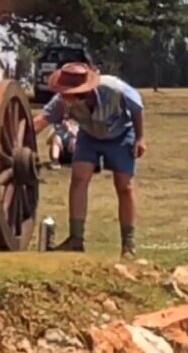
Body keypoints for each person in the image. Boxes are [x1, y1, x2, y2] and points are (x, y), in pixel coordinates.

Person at [33, 62, 146, 258]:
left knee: (125, 186)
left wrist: (140, 138)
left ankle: (128, 245)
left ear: (80, 92)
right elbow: (42, 120)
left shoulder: (113, 88)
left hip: (120, 135)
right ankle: (76, 240)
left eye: (66, 92)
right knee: (79, 178)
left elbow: (137, 107)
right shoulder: (61, 102)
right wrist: (17, 136)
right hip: (89, 137)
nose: (62, 95)